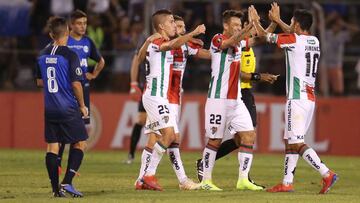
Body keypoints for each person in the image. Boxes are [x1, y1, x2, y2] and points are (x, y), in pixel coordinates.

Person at [251, 3, 338, 194]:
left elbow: (263, 37)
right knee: (291, 141)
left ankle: (326, 173)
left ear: (297, 25)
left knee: (297, 142)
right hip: (310, 99)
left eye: (292, 22)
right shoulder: (314, 41)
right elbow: (293, 33)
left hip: (297, 99)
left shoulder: (293, 40)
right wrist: (279, 20)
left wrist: (256, 21)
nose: (290, 25)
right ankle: (286, 182)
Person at [196, 8, 279, 186]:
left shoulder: (240, 44)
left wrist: (273, 22)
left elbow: (261, 38)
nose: (237, 28)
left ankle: (243, 180)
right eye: (234, 25)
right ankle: (206, 181)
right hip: (218, 100)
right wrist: (250, 25)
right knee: (215, 140)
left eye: (239, 25)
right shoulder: (217, 39)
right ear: (225, 25)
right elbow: (231, 41)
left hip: (236, 100)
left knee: (249, 135)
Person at [134, 14, 210, 190]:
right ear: (161, 26)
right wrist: (193, 33)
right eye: (171, 23)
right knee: (167, 136)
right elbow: (170, 45)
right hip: (156, 97)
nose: (174, 26)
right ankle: (148, 175)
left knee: (167, 138)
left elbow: (176, 45)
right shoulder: (158, 42)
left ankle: (146, 180)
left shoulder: (163, 43)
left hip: (162, 98)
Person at [36, 16, 88, 197]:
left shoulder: (42, 54)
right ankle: (67, 183)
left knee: (52, 147)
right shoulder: (70, 55)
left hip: (50, 108)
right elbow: (76, 84)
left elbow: (40, 81)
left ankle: (55, 190)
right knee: (80, 142)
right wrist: (82, 105)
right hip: (67, 107)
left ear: (51, 34)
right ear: (67, 33)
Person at [57, 9, 105, 174]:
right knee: (64, 127)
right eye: (79, 23)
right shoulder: (65, 41)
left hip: (83, 89)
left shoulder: (88, 42)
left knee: (79, 130)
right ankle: (58, 162)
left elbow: (101, 61)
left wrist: (94, 74)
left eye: (85, 23)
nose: (83, 26)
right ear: (71, 25)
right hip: (66, 89)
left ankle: (71, 165)